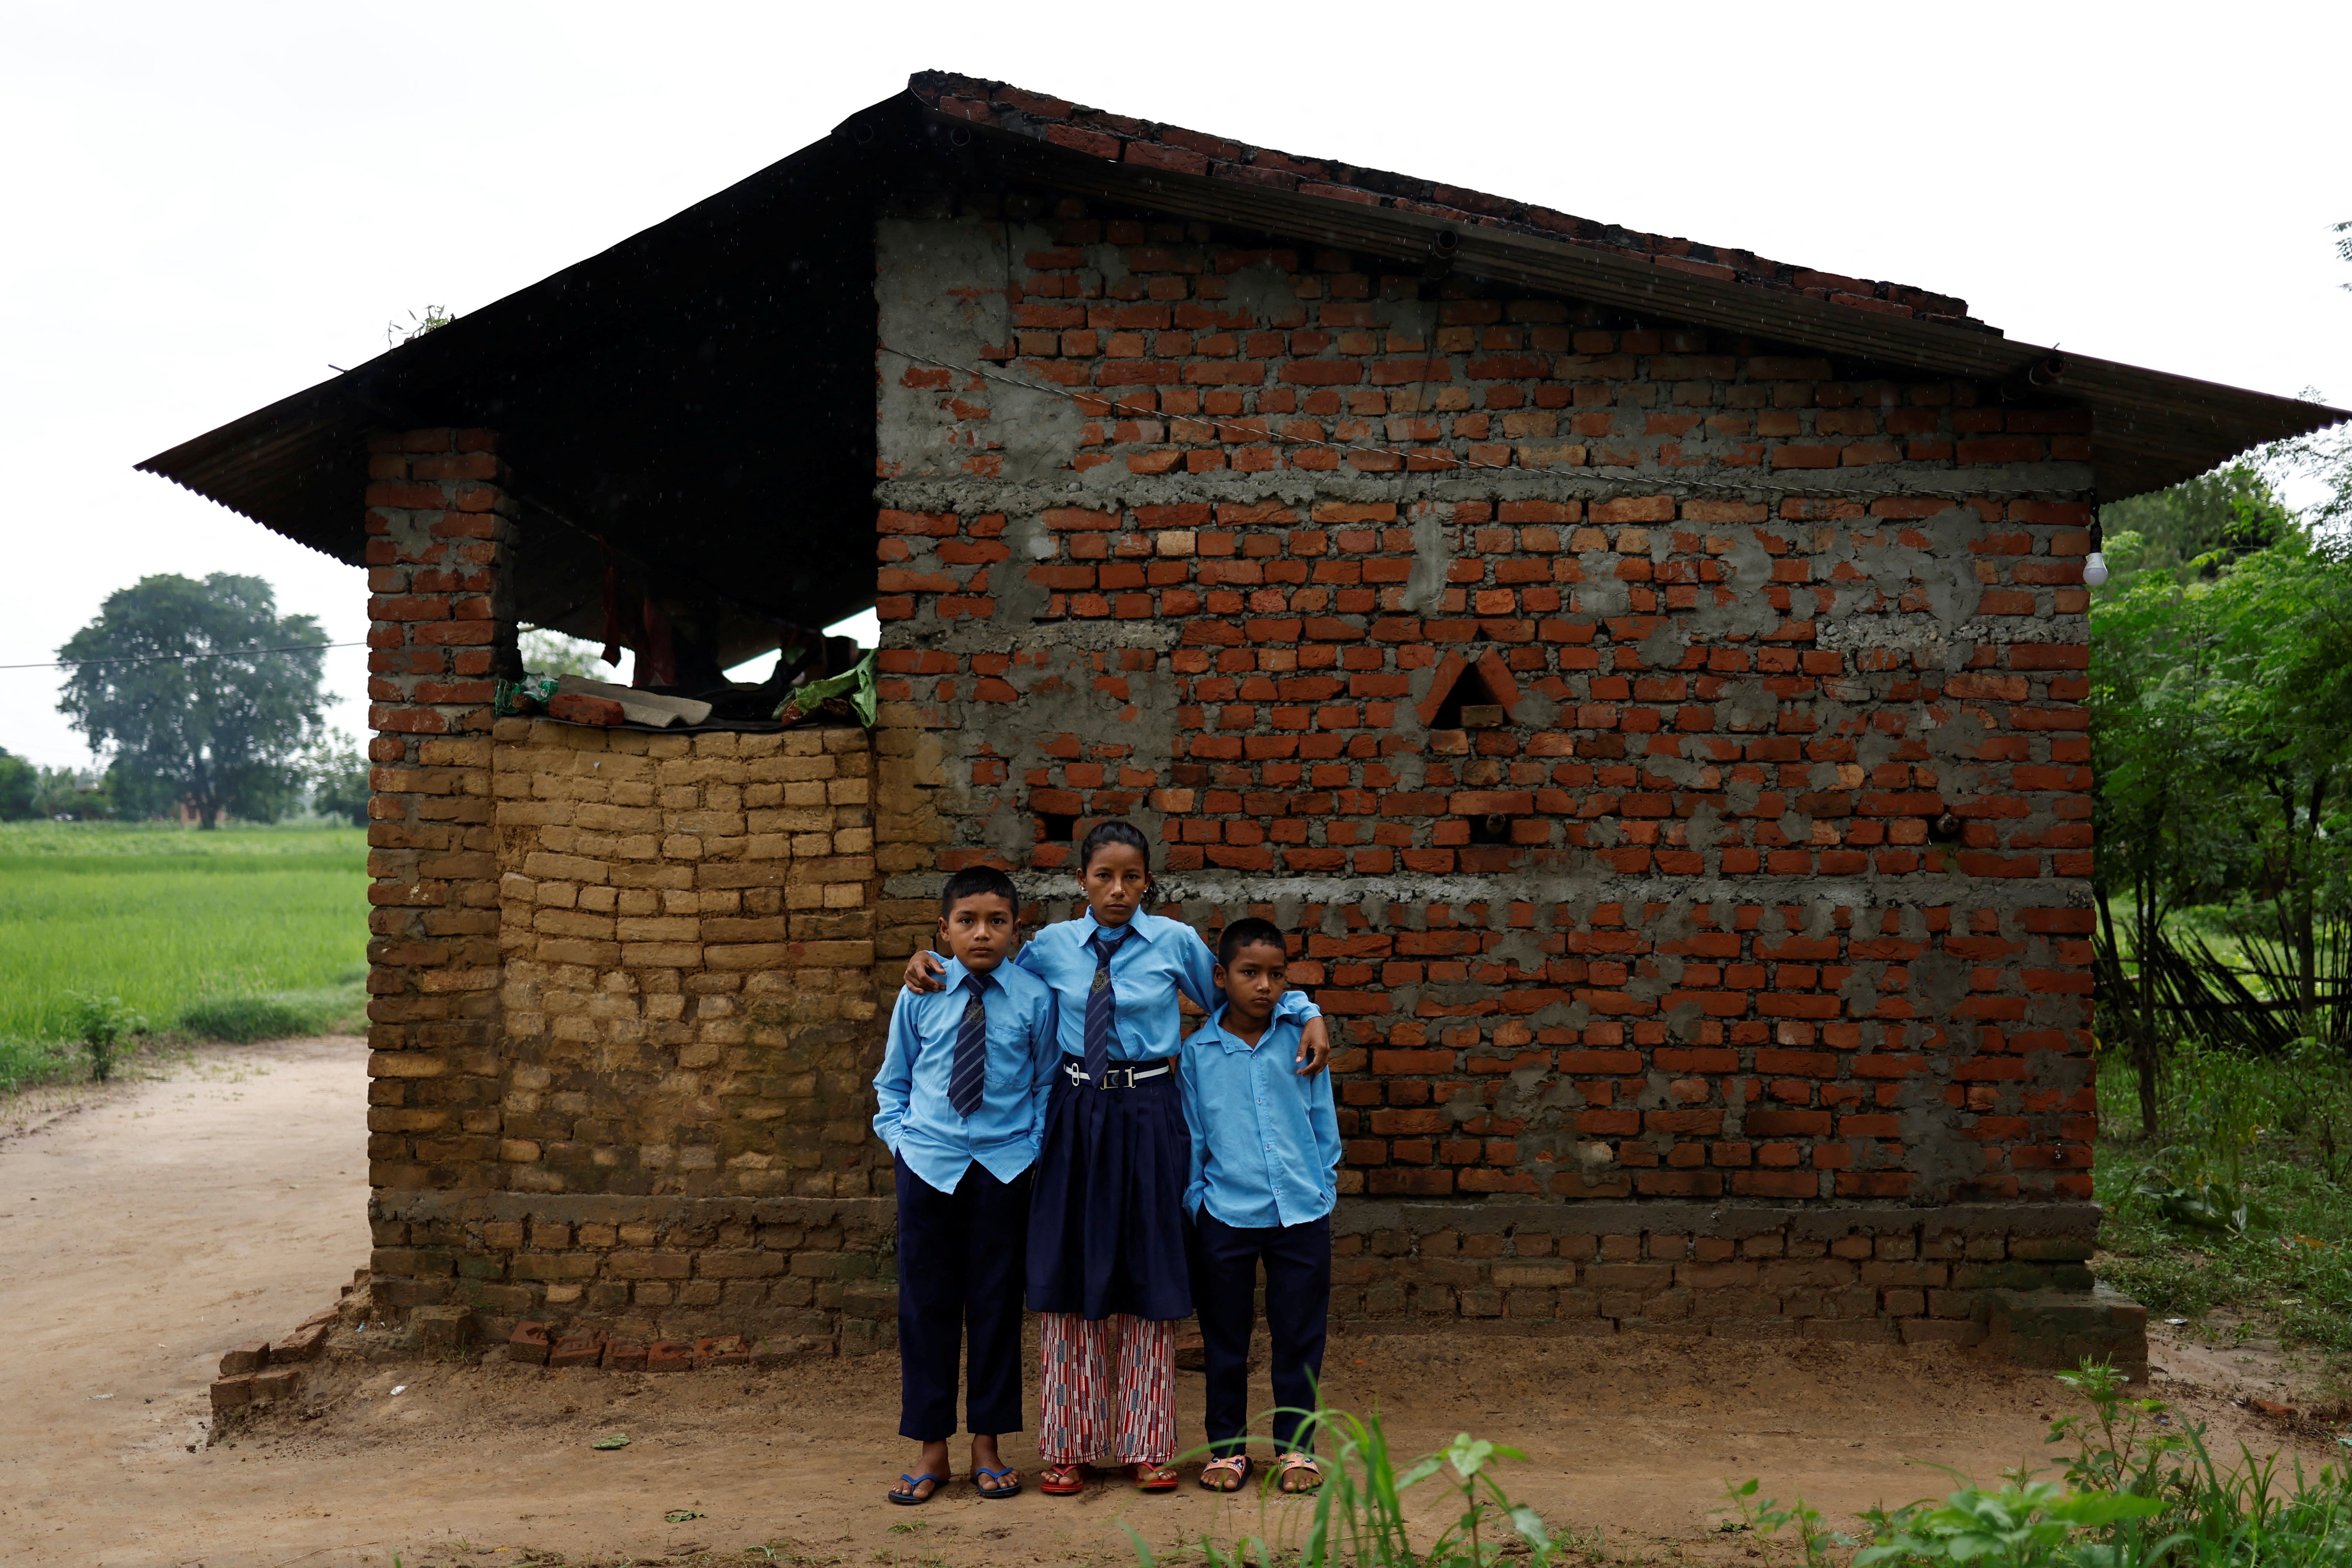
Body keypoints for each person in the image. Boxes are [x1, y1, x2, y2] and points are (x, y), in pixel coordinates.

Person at [901, 821, 1332, 1494]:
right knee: (1066, 1271)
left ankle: (1146, 1440)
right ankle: (1069, 1443)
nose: (1118, 889)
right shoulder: (1051, 948)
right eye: (1104, 876)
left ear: (1149, 882)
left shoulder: (1174, 943)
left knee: (1148, 1270)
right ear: (1081, 880)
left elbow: (1241, 996)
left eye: (1132, 876)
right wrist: (926, 962)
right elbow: (989, 975)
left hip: (1152, 1110)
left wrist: (1305, 1009)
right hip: (1075, 1114)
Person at [872, 866, 1060, 1504]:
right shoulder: (922, 991)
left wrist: (1029, 1152)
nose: (982, 933)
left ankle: (988, 1443)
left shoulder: (1035, 998)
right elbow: (892, 1081)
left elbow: (1043, 1087)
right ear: (943, 930)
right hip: (928, 1166)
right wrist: (902, 1144)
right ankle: (931, 1449)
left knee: (995, 1306)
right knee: (926, 1307)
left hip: (1004, 1170)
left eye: (997, 921)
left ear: (1016, 929)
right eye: (967, 921)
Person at [1180, 917, 1341, 1496]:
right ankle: (1227, 1450)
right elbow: (1195, 1138)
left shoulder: (1300, 1038)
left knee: (1298, 1338)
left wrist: (1323, 1188)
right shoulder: (1198, 1054)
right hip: (1226, 1216)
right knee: (1226, 1341)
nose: (1265, 986)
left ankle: (1296, 1451)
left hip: (1301, 1213)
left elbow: (1322, 1121)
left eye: (1277, 975)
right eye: (1250, 973)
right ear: (1222, 977)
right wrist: (1200, 1205)